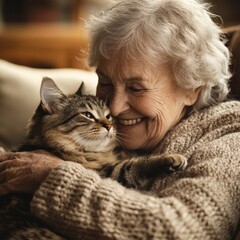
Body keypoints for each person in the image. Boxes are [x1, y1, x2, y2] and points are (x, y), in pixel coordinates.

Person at [0, 0, 240, 239]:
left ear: (192, 89)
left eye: (136, 88)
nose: (113, 107)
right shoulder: (101, 129)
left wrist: (53, 179)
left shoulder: (229, 136)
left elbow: (182, 231)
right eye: (104, 82)